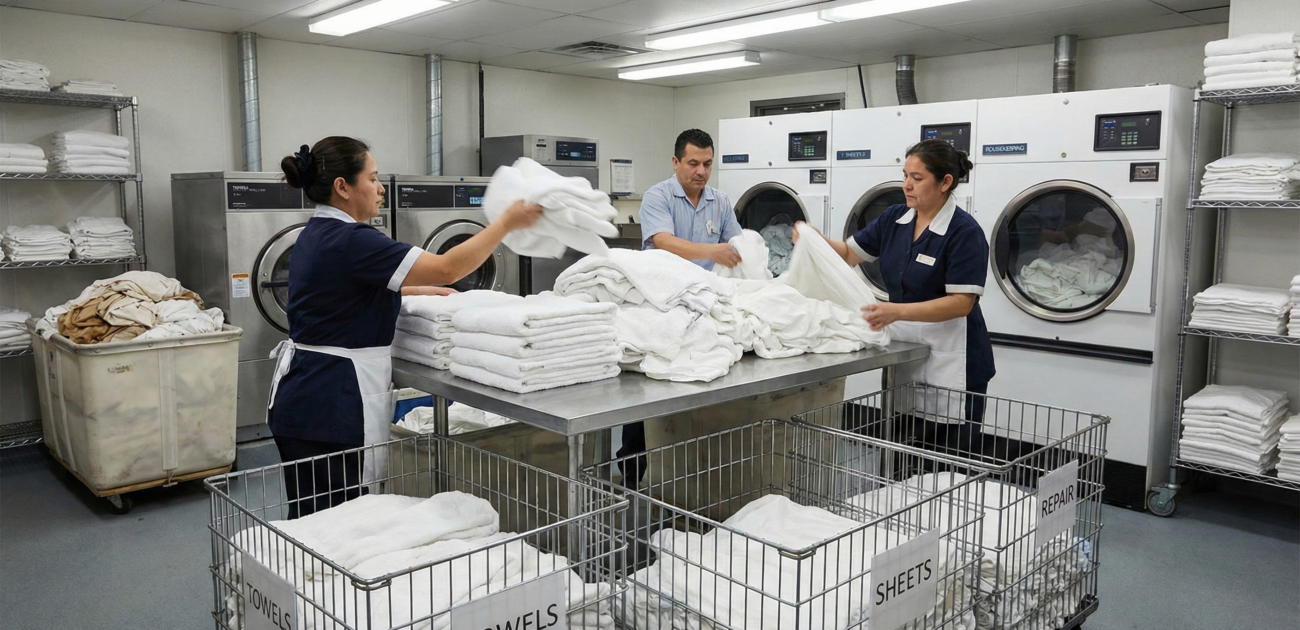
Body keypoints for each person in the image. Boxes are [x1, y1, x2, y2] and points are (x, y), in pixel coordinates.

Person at [268, 136, 542, 517]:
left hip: (306, 396)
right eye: (373, 178)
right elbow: (449, 267)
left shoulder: (319, 231)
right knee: (342, 523)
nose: (381, 190)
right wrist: (506, 223)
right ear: (343, 187)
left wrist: (410, 288)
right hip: (333, 403)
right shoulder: (353, 239)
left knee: (314, 521)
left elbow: (336, 290)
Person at [800, 138, 995, 452]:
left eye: (917, 179)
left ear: (945, 182)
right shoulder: (895, 219)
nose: (906, 185)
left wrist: (895, 311)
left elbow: (962, 303)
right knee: (902, 456)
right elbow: (849, 254)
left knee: (948, 466)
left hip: (955, 356)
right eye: (905, 175)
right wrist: (813, 238)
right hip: (906, 351)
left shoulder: (964, 232)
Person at [615, 128, 742, 488]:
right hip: (660, 306)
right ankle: (632, 475)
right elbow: (663, 242)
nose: (700, 171)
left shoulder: (720, 201)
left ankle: (681, 473)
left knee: (696, 384)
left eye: (707, 164)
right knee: (648, 391)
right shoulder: (659, 196)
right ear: (676, 162)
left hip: (702, 305)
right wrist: (711, 251)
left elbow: (736, 241)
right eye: (693, 163)